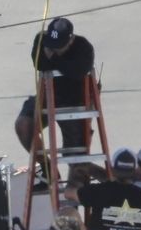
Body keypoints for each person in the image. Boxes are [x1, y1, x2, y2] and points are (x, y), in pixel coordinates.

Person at [14, 17, 98, 154]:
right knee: (23, 125)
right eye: (52, 45)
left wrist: (54, 58)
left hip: (75, 101)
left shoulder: (83, 47)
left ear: (71, 40)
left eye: (59, 46)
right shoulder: (42, 39)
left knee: (76, 157)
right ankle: (45, 164)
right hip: (48, 96)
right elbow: (40, 64)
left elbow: (77, 71)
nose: (54, 49)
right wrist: (63, 64)